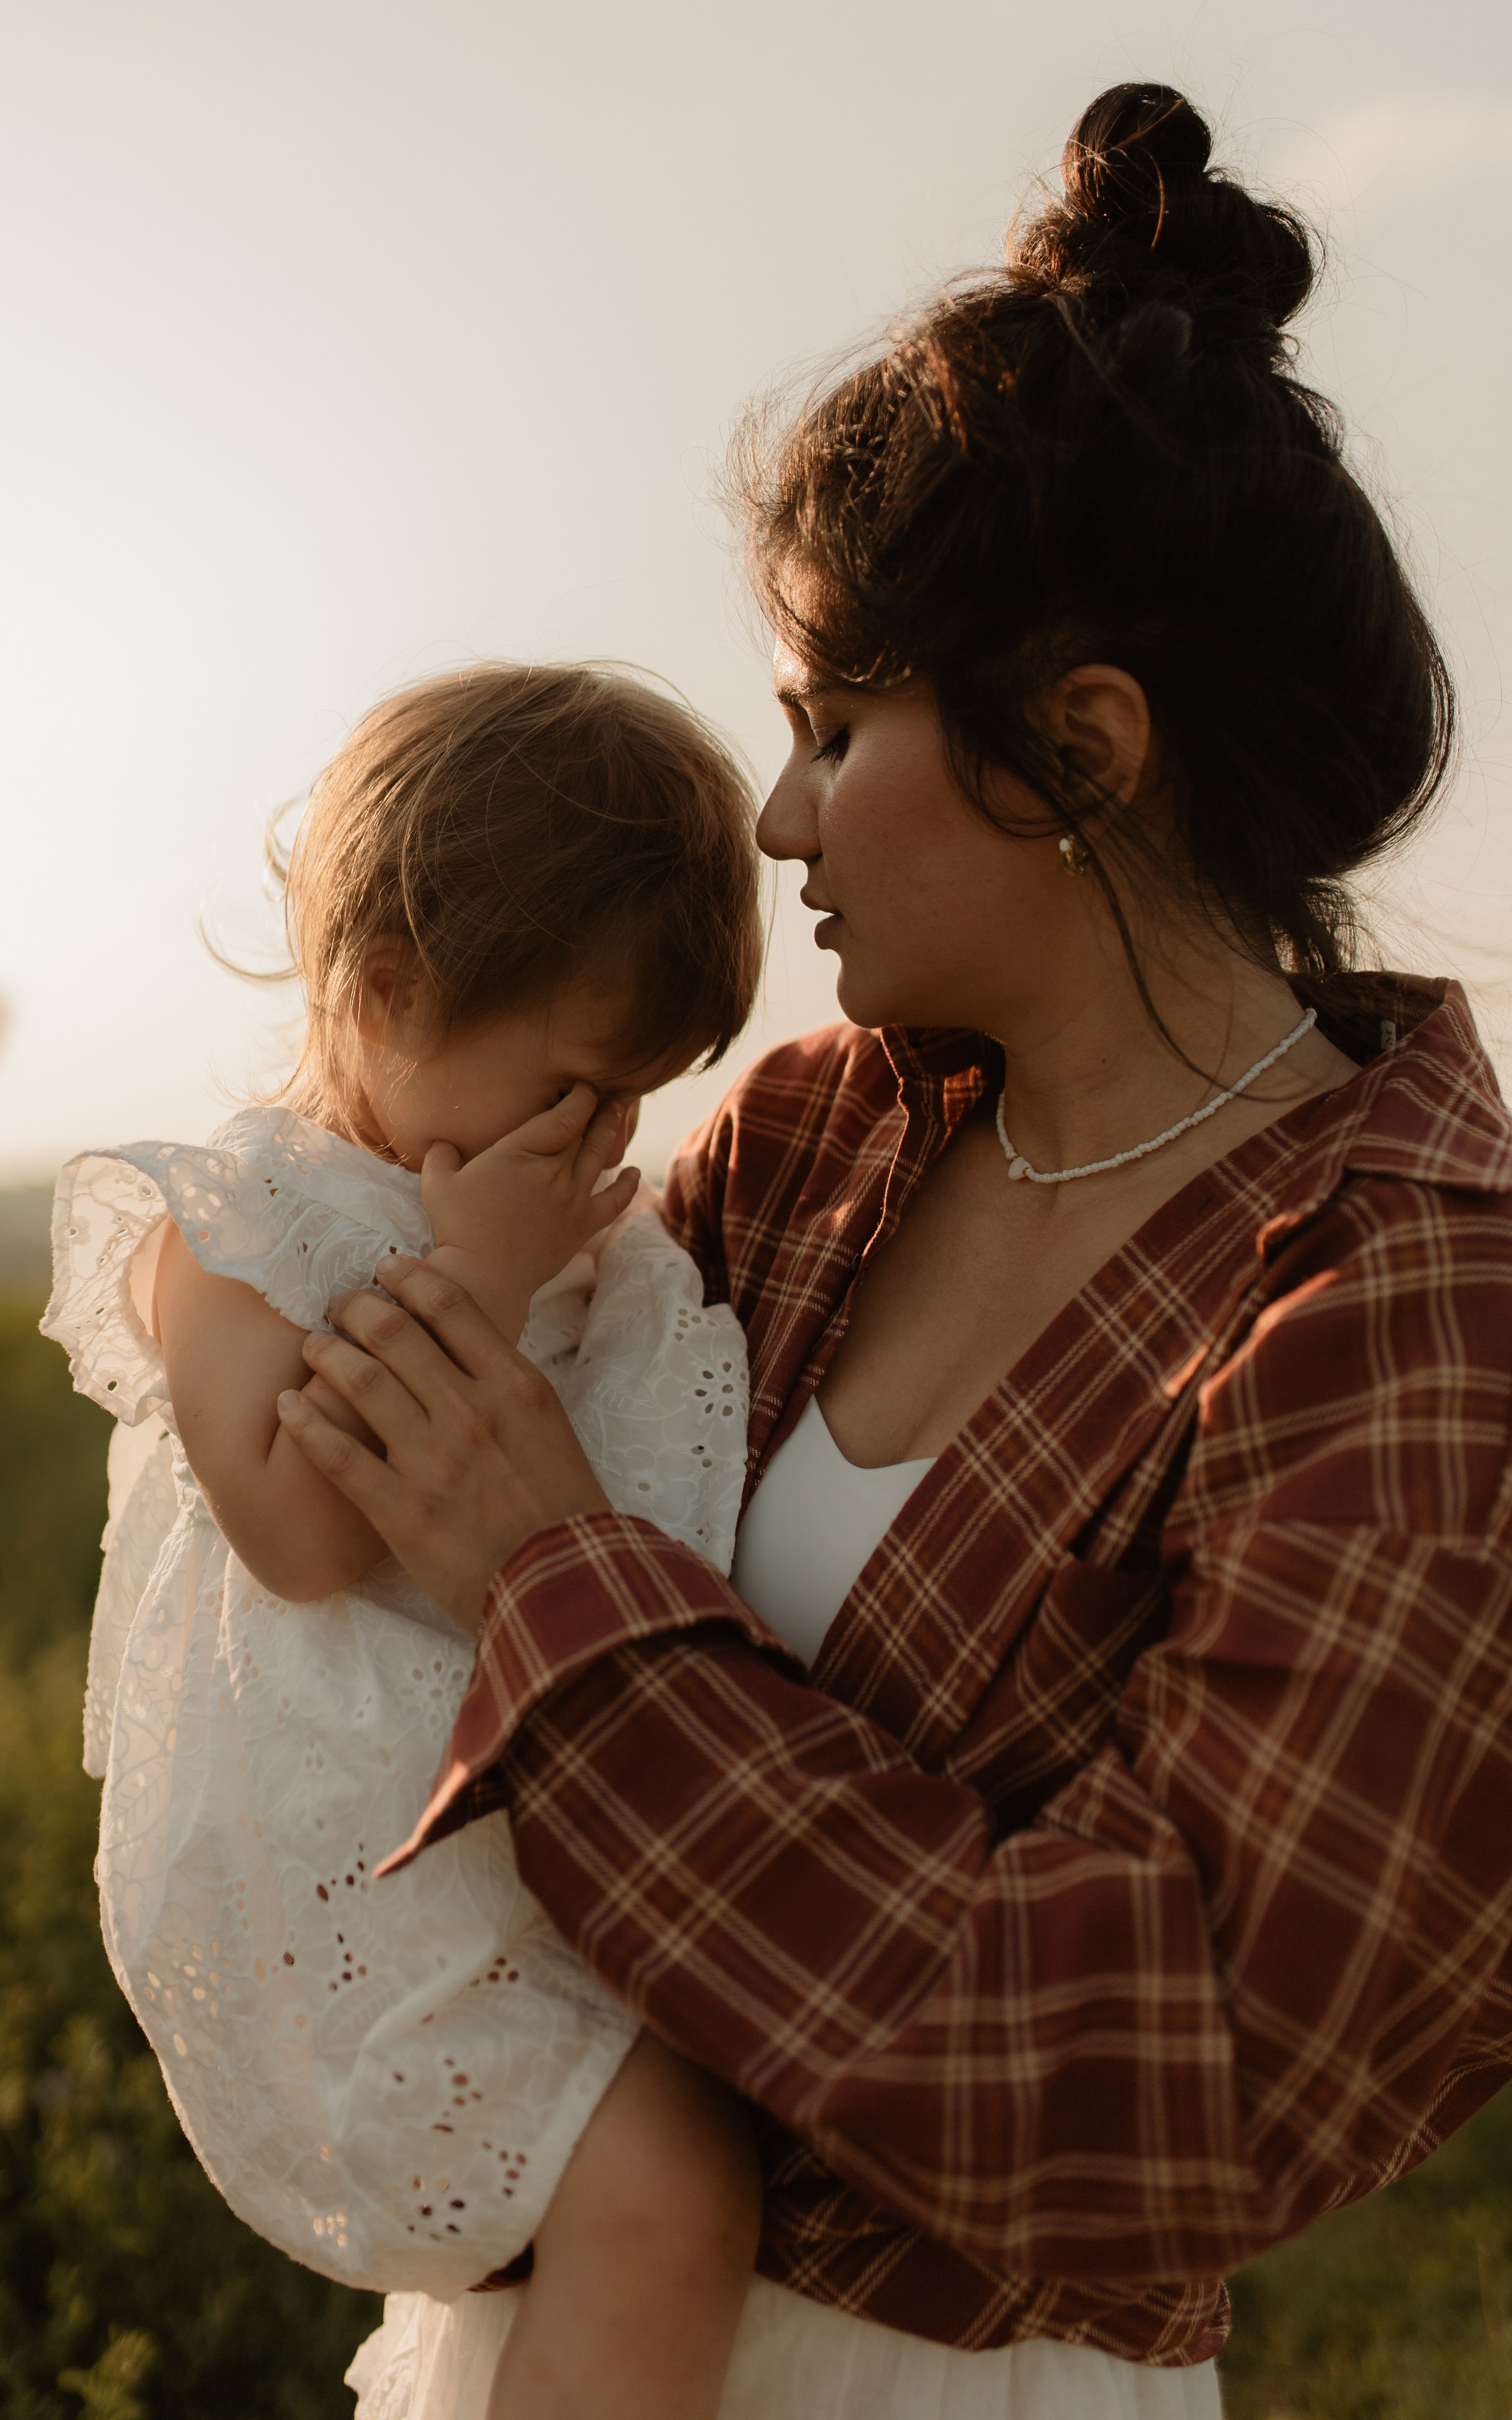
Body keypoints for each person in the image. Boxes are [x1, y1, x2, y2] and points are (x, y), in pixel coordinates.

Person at [280, 83, 1512, 2420]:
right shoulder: (819, 1137)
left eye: (835, 727)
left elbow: (1178, 2083)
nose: (776, 815)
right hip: (549, 2325)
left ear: (1084, 747)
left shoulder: (1417, 1307)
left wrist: (557, 1581)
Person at [43, 663, 770, 2420]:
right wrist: (484, 1280)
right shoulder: (233, 1223)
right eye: (581, 1091)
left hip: (529, 1824)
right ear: (382, 992)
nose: (609, 1146)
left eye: (641, 1101)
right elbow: (294, 1530)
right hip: (337, 1868)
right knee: (672, 2191)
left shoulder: (554, 1211)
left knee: (699, 2162)